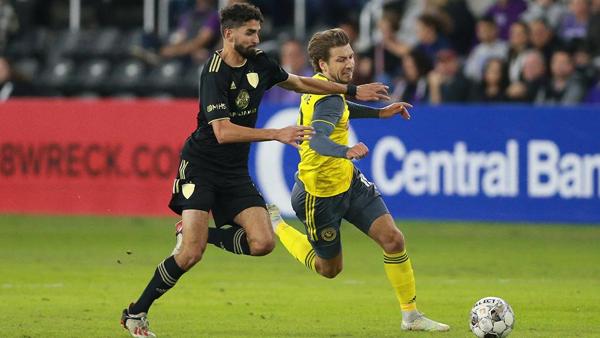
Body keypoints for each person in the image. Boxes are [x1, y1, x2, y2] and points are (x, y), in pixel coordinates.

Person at [120, 4, 389, 337]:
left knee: (262, 242)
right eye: (250, 32)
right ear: (229, 33)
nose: (256, 37)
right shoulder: (214, 72)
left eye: (258, 31)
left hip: (233, 172)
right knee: (191, 254)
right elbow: (222, 131)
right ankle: (136, 313)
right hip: (201, 167)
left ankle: (194, 234)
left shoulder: (260, 61)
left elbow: (299, 82)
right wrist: (275, 134)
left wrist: (350, 90)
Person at [269, 28, 450, 333]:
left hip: (348, 182)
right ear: (322, 65)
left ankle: (411, 316)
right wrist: (346, 150)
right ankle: (277, 224)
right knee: (330, 269)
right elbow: (316, 141)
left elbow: (343, 108)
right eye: (341, 60)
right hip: (319, 196)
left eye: (351, 56)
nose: (350, 64)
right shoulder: (326, 98)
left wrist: (380, 114)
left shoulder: (328, 90)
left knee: (393, 240)